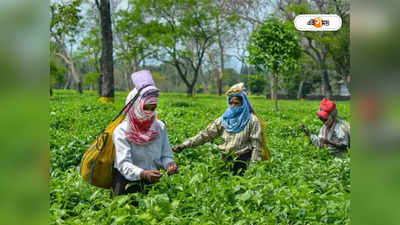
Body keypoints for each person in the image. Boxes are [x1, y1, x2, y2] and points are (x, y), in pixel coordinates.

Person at [173, 83, 268, 175]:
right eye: (231, 103)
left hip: (243, 162)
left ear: (243, 104)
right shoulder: (224, 120)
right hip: (225, 160)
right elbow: (205, 135)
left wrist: (252, 169)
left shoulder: (252, 120)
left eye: (237, 103)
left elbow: (257, 147)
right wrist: (184, 145)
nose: (233, 106)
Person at [112, 70, 178, 197]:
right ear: (135, 106)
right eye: (145, 108)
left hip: (152, 183)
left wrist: (169, 164)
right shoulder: (122, 131)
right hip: (126, 184)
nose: (149, 112)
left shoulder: (159, 127)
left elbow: (166, 155)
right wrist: (142, 173)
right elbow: (123, 164)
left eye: (152, 108)